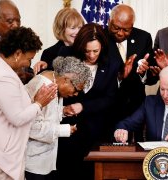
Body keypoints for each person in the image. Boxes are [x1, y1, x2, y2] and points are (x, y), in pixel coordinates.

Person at [56, 23, 118, 180]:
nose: (91, 55)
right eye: (87, 50)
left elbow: (110, 99)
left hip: (96, 132)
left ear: (102, 47)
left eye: (95, 51)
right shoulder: (66, 54)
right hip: (67, 131)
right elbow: (55, 83)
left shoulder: (111, 64)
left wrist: (83, 106)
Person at [0, 27, 57, 180]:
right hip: (2, 159)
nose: (28, 63)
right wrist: (39, 103)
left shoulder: (5, 70)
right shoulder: (2, 76)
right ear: (17, 54)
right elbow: (17, 118)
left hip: (9, 155)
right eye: (29, 58)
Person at [25, 56, 91, 180]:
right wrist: (65, 130)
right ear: (66, 79)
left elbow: (45, 115)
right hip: (32, 163)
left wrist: (63, 111)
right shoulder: (43, 85)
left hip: (44, 161)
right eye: (76, 89)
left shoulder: (55, 83)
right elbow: (31, 126)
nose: (76, 94)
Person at [105, 4, 157, 141]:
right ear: (109, 21)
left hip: (135, 109)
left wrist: (143, 73)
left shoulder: (143, 37)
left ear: (132, 25)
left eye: (126, 30)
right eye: (116, 28)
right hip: (108, 108)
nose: (121, 33)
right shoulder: (100, 38)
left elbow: (151, 79)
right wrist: (120, 76)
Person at [32, 7, 84, 74]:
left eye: (80, 27)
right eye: (73, 28)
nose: (77, 32)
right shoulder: (49, 53)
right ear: (61, 29)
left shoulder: (87, 50)